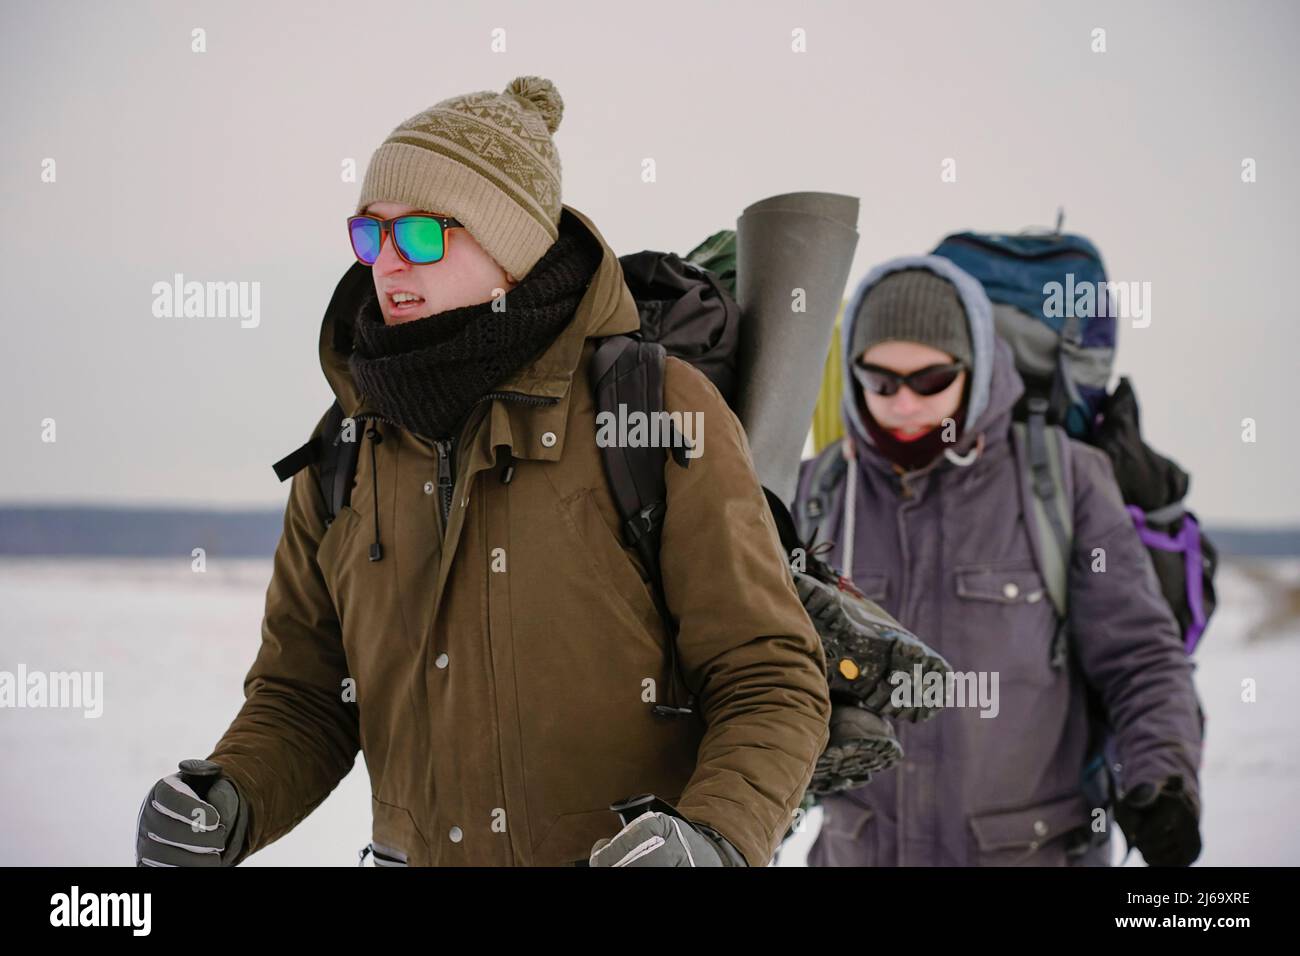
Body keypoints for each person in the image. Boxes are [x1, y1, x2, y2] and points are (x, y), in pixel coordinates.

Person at [135, 76, 831, 868]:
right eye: (371, 236)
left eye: (424, 236)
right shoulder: (346, 447)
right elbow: (308, 699)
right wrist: (229, 800)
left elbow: (768, 678)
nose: (388, 264)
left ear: (511, 246)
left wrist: (711, 841)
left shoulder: (654, 412)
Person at [796, 256, 1203, 866]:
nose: (904, 402)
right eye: (880, 380)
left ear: (976, 367)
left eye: (930, 379)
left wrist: (1164, 781)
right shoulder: (819, 491)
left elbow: (1140, 658)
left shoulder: (1064, 482)